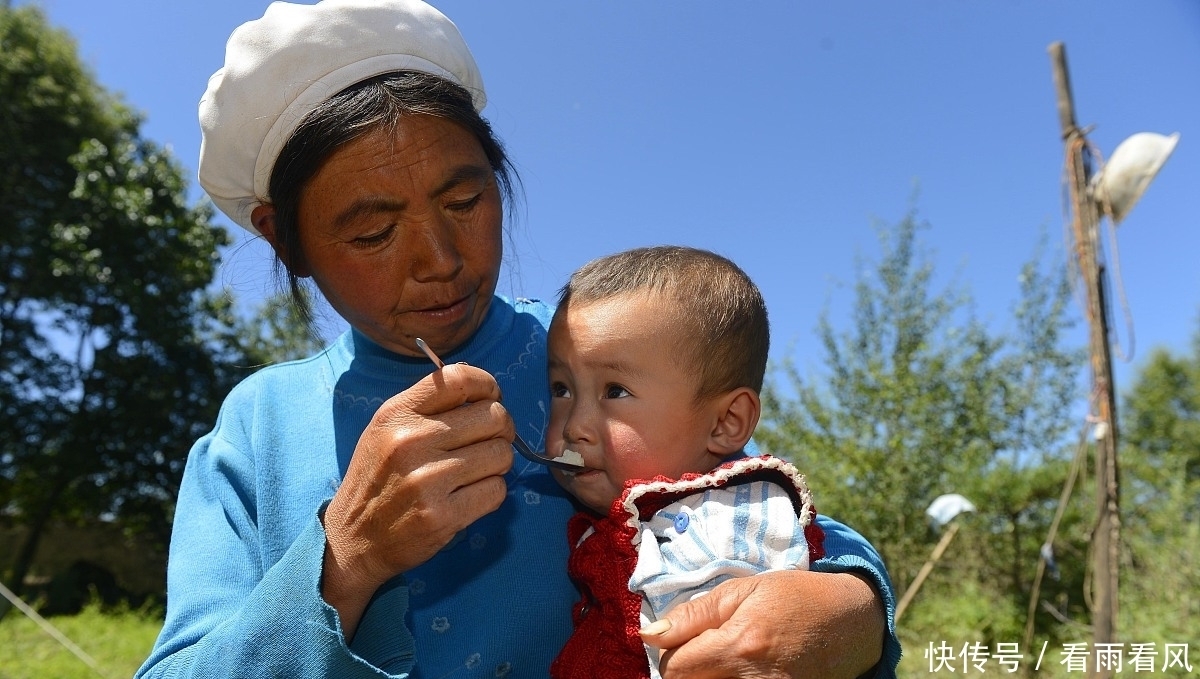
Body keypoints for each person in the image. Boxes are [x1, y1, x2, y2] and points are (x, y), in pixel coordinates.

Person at [136, 1, 901, 677]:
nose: (440, 261)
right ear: (286, 239)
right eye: (373, 232)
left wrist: (853, 614)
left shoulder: (593, 357)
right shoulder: (258, 427)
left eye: (465, 199)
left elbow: (783, 528)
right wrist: (346, 557)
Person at [544, 246, 841, 679]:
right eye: (560, 388)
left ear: (726, 422)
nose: (574, 426)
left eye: (615, 391)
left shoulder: (724, 528)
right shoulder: (630, 520)